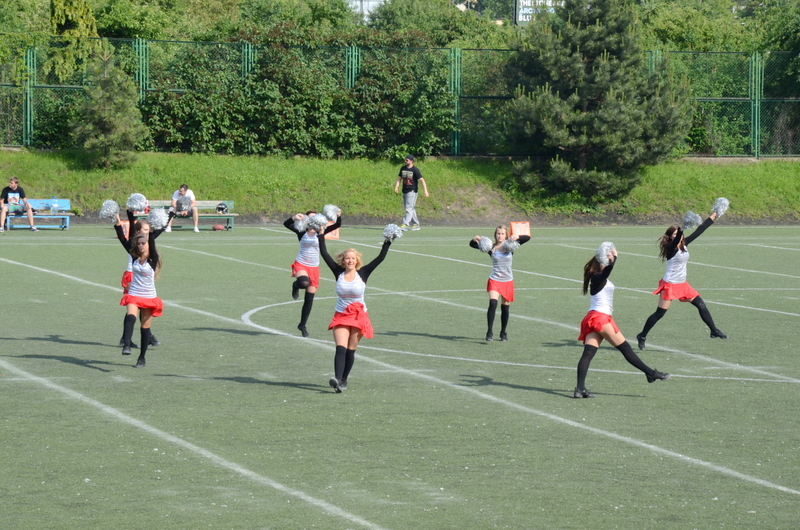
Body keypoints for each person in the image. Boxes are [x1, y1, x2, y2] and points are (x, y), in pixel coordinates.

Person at [575, 246, 670, 398]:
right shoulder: (598, 277)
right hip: (600, 319)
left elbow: (606, 273)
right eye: (605, 261)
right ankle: (650, 373)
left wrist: (611, 259)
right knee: (626, 348)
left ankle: (580, 389)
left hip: (593, 318)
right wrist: (614, 259)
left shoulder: (597, 278)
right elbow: (607, 272)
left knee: (588, 354)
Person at [636, 211, 726, 351]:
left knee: (701, 305)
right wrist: (682, 228)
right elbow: (677, 237)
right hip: (670, 284)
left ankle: (714, 330)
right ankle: (642, 336)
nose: (677, 235)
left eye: (678, 233)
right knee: (660, 313)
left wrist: (714, 216)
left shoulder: (685, 244)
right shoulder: (670, 248)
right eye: (674, 234)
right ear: (670, 237)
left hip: (682, 284)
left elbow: (700, 230)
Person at [318, 231, 392, 393]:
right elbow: (324, 253)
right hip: (341, 314)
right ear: (343, 260)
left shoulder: (363, 273)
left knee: (351, 350)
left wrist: (388, 240)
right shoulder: (338, 272)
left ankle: (344, 380)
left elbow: (380, 258)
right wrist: (320, 234)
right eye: (347, 258)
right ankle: (337, 380)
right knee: (340, 348)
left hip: (359, 315)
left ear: (357, 260)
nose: (350, 260)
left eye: (353, 258)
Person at [114, 208, 173, 350]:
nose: (147, 232)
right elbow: (126, 234)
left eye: (148, 230)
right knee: (133, 307)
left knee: (140, 306)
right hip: (132, 276)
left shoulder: (146, 242)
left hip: (144, 275)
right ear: (138, 231)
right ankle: (132, 338)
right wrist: (129, 215)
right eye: (145, 229)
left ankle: (141, 336)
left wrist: (170, 215)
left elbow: (159, 230)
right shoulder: (135, 243)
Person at [283, 210, 342, 337]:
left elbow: (337, 225)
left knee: (309, 299)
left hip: (314, 267)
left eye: (315, 217)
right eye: (310, 218)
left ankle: (302, 325)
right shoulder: (302, 231)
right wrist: (294, 218)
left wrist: (338, 215)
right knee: (304, 283)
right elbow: (286, 224)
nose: (313, 220)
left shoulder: (322, 231)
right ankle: (295, 285)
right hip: (301, 264)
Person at [469, 225, 530, 342]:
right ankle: (489, 332)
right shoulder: (490, 248)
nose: (500, 236)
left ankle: (503, 332)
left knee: (505, 308)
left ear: (505, 235)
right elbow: (472, 245)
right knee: (493, 303)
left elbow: (527, 237)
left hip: (507, 281)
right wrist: (475, 239)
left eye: (502, 234)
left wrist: (516, 236)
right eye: (498, 233)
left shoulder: (510, 245)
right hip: (494, 280)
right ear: (495, 235)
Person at [119, 232, 164, 368]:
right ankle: (126, 345)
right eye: (138, 243)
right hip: (134, 293)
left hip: (149, 296)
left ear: (148, 244)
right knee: (130, 316)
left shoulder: (152, 259)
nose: (140, 246)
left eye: (143, 243)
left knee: (145, 328)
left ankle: (142, 358)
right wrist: (118, 225)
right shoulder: (134, 257)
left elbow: (152, 241)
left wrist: (151, 231)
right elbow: (123, 241)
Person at [393, 155, 429, 231]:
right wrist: (396, 187)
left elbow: (422, 180)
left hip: (412, 191)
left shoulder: (415, 170)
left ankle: (405, 224)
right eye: (405, 160)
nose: (405, 161)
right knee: (410, 208)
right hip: (405, 190)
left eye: (407, 160)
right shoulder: (403, 168)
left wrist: (425, 191)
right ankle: (416, 224)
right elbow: (399, 178)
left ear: (411, 161)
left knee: (408, 208)